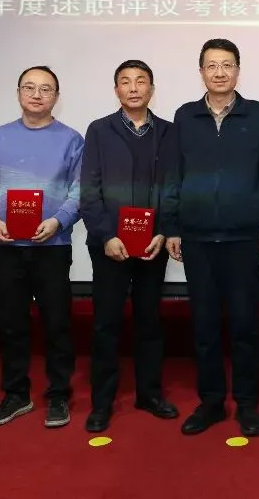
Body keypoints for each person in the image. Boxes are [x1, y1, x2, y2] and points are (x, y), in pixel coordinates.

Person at [162, 38, 259, 437]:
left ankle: (246, 404)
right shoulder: (185, 116)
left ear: (238, 71)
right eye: (211, 65)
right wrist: (172, 226)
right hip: (196, 237)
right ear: (201, 72)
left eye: (227, 65)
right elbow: (173, 175)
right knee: (205, 326)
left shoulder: (256, 114)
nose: (219, 72)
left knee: (245, 325)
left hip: (243, 237)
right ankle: (211, 402)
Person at [0, 65, 84, 429]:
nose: (37, 94)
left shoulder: (72, 140)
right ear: (18, 92)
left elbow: (81, 190)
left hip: (53, 245)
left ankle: (59, 395)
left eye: (45, 89)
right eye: (30, 87)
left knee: (57, 322)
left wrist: (58, 221)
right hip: (6, 243)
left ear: (56, 97)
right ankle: (16, 394)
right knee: (11, 322)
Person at [79, 60, 179, 433]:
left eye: (140, 81)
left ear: (152, 89)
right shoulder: (99, 130)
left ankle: (149, 394)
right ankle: (102, 403)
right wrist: (107, 236)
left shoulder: (169, 132)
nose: (133, 88)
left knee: (149, 321)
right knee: (106, 323)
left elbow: (173, 188)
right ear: (116, 90)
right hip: (110, 245)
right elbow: (89, 189)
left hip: (152, 243)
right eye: (125, 82)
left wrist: (164, 231)